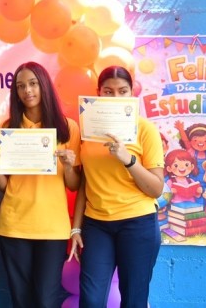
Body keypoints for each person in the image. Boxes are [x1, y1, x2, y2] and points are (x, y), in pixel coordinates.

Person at [0, 61, 81, 308]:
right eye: (20, 86)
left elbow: (73, 185)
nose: (27, 90)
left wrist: (69, 166)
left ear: (44, 86)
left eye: (33, 84)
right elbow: (5, 186)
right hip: (14, 225)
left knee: (46, 301)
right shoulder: (8, 129)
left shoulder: (67, 128)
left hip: (52, 228)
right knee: (21, 301)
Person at [70, 65, 164, 308]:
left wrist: (128, 159)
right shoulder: (87, 132)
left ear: (132, 93)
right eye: (108, 91)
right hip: (97, 225)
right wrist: (76, 228)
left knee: (133, 300)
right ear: (98, 93)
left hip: (138, 223)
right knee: (91, 300)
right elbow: (85, 183)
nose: (115, 97)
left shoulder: (145, 130)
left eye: (122, 91)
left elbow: (156, 189)